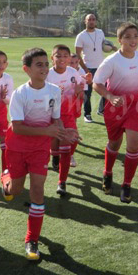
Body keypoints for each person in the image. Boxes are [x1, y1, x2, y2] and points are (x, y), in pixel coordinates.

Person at [0, 48, 67, 262]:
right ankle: (6, 180)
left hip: (40, 148)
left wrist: (64, 132)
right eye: (39, 65)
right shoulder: (20, 94)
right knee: (16, 190)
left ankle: (32, 240)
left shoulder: (54, 91)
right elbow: (18, 127)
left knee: (37, 190)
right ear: (26, 69)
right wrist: (47, 131)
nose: (45, 68)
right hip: (18, 147)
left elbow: (56, 119)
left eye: (46, 64)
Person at [93, 22, 138, 203]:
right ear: (119, 40)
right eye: (127, 37)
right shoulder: (111, 61)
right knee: (114, 143)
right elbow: (96, 83)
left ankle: (127, 184)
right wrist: (110, 97)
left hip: (135, 108)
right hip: (115, 109)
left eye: (135, 36)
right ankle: (107, 172)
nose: (133, 40)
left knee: (134, 146)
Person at [47, 44, 85, 195]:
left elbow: (81, 92)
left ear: (69, 58)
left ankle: (61, 180)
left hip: (68, 115)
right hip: (51, 116)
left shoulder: (73, 73)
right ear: (52, 58)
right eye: (58, 56)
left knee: (72, 141)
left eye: (65, 56)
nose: (62, 59)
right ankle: (56, 161)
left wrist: (79, 91)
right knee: (56, 145)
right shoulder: (47, 75)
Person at [74, 13, 107, 122]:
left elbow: (104, 46)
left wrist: (111, 47)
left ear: (95, 21)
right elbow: (78, 54)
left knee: (106, 89)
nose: (91, 21)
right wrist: (85, 69)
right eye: (89, 19)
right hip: (88, 67)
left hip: (101, 67)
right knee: (87, 92)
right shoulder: (81, 36)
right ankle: (87, 114)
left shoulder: (100, 32)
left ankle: (101, 110)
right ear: (85, 21)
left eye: (93, 19)